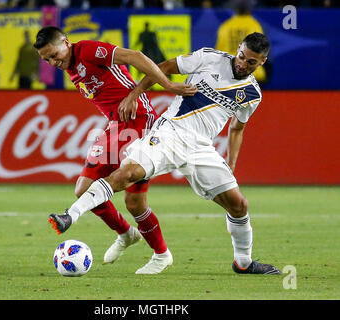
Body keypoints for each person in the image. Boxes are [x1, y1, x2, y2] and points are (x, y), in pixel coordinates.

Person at [50, 32, 282, 275]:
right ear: (239, 49)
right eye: (242, 56)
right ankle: (71, 215)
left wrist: (232, 162)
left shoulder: (253, 94)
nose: (243, 63)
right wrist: (135, 94)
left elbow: (237, 128)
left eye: (251, 62)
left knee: (239, 206)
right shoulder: (209, 58)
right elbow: (163, 67)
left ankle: (243, 263)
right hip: (171, 131)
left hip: (201, 148)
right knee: (128, 173)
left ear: (262, 62)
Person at [33, 26, 197, 273]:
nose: (52, 61)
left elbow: (137, 57)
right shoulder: (69, 66)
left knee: (135, 203)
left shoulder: (88, 50)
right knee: (84, 188)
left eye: (54, 54)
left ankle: (161, 255)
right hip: (117, 126)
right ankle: (126, 234)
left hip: (140, 122)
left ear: (66, 42)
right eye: (46, 59)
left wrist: (167, 86)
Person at [215, 0, 272, 86]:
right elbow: (265, 53)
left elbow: (218, 55)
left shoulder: (225, 26)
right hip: (253, 75)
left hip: (229, 75)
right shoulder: (255, 25)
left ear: (235, 8)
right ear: (250, 8)